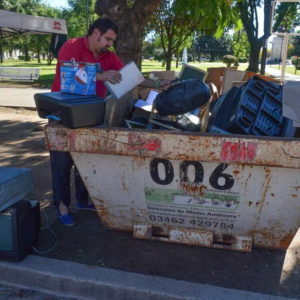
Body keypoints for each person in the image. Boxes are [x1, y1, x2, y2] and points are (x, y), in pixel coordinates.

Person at [51, 17, 170, 226]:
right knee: (62, 163)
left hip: (90, 115)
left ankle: (82, 200)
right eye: (107, 38)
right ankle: (61, 207)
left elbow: (133, 77)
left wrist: (159, 83)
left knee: (85, 159)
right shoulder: (71, 47)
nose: (109, 44)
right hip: (64, 114)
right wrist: (102, 76)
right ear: (95, 33)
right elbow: (68, 75)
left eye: (111, 40)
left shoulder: (109, 56)